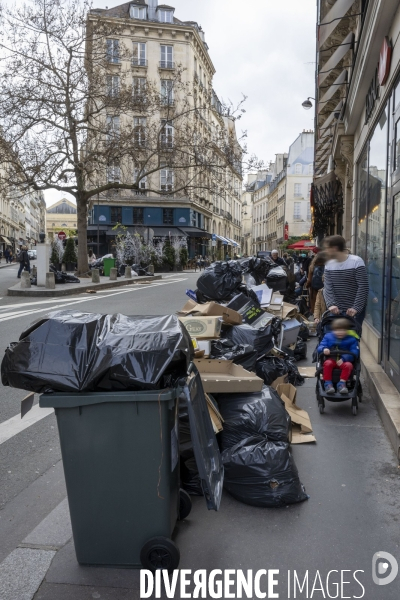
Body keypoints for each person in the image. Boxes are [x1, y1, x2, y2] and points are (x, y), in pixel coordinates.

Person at [323, 235, 369, 327]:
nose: (326, 251)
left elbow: (363, 286)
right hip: (336, 311)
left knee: (352, 339)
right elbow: (328, 287)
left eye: (327, 248)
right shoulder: (328, 265)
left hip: (353, 312)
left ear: (335, 248)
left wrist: (356, 308)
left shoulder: (356, 261)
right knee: (335, 339)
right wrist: (331, 304)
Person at [317, 318, 360, 394]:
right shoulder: (328, 337)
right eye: (337, 330)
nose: (340, 332)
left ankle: (342, 384)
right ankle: (328, 384)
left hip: (344, 361)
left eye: (343, 330)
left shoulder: (352, 339)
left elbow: (355, 352)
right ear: (333, 330)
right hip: (331, 359)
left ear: (347, 331)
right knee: (327, 364)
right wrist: (324, 349)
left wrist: (344, 358)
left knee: (349, 365)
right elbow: (320, 346)